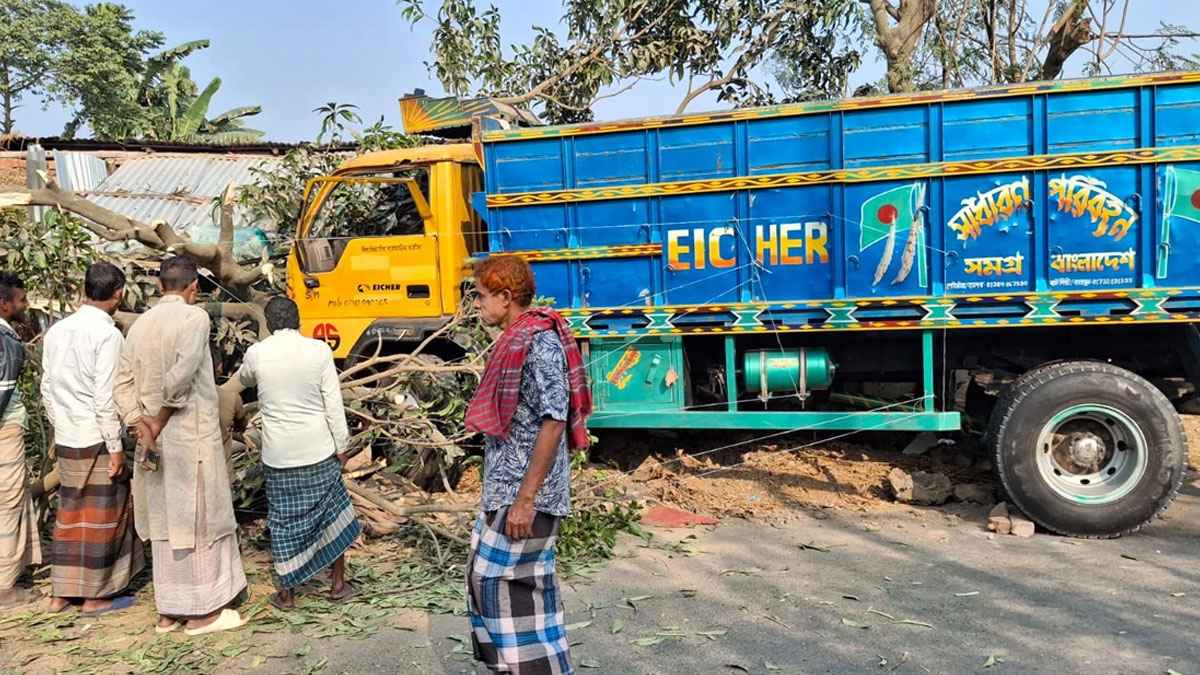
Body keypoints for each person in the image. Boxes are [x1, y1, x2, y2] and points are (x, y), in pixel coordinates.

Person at [463, 255, 593, 675]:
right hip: (507, 490)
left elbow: (555, 419)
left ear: (505, 296)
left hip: (527, 498)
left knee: (505, 591)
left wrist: (525, 499)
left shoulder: (539, 343)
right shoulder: (517, 339)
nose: (477, 304)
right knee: (496, 587)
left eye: (482, 296)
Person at [113, 256, 247, 636]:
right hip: (189, 436)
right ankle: (202, 614)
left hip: (152, 441)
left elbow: (121, 383)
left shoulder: (139, 325)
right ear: (194, 288)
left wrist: (138, 423)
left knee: (164, 521)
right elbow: (181, 376)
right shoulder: (195, 318)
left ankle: (168, 613)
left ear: (159, 287)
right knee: (199, 520)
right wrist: (157, 419)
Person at [231, 296, 360, 610]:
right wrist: (342, 447)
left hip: (279, 455)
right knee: (333, 515)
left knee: (283, 522)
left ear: (269, 324)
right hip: (318, 450)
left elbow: (244, 379)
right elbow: (333, 404)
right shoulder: (318, 351)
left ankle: (287, 593)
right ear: (298, 320)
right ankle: (338, 584)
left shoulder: (257, 353)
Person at [42, 262, 144, 615]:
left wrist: (61, 424)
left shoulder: (58, 330)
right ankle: (96, 596)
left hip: (69, 434)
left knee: (70, 513)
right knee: (105, 517)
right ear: (118, 293)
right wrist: (115, 449)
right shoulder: (109, 335)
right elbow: (106, 396)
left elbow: (46, 387)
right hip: (97, 436)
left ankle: (61, 593)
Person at [0, 273, 39, 609]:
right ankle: (5, 585)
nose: (24, 306)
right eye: (21, 300)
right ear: (5, 303)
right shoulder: (7, 340)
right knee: (9, 503)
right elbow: (2, 391)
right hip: (4, 432)